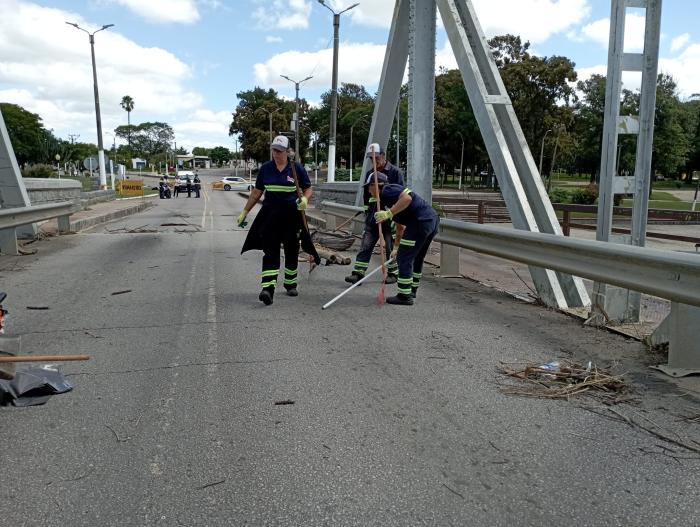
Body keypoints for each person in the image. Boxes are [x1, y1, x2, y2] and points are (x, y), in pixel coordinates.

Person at [238, 135, 320, 306]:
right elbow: (256, 192)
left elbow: (308, 188)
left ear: (288, 151)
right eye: (274, 150)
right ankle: (268, 288)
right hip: (270, 217)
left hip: (292, 217)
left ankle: (290, 283)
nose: (276, 153)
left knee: (291, 251)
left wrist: (305, 199)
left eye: (279, 151)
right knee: (270, 252)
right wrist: (245, 211)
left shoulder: (296, 169)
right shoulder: (266, 169)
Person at [370, 173, 440, 306]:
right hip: (431, 220)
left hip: (420, 222)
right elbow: (400, 227)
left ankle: (404, 296)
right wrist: (396, 247)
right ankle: (412, 290)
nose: (368, 191)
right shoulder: (389, 200)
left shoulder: (386, 191)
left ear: (376, 185)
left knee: (404, 258)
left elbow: (407, 199)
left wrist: (388, 213)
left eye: (369, 187)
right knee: (417, 256)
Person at [345, 143, 404, 285]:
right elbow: (366, 196)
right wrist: (368, 211)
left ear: (383, 156)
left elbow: (401, 195)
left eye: (376, 157)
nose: (374, 161)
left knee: (390, 245)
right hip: (373, 215)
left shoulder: (395, 173)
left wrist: (391, 212)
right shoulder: (370, 174)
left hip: (390, 215)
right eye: (371, 158)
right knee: (366, 243)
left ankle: (393, 273)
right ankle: (358, 272)